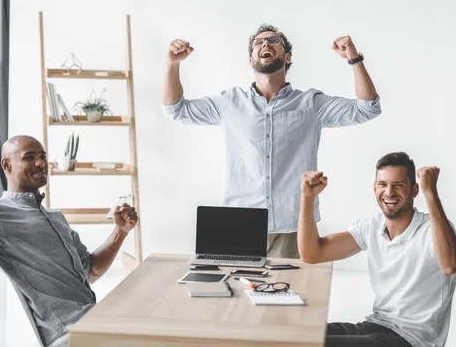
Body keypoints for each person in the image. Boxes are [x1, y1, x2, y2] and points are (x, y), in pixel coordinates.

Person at [162, 24, 381, 258]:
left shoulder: (311, 104)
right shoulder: (229, 103)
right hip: (239, 222)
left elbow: (368, 108)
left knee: (290, 292)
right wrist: (172, 65)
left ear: (287, 57)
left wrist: (354, 59)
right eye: (259, 42)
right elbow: (175, 109)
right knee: (231, 291)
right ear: (251, 60)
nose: (265, 44)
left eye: (273, 41)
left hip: (294, 225)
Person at [0, 135, 138, 347]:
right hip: (71, 333)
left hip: (93, 320)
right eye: (29, 157)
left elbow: (91, 270)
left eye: (42, 156)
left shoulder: (55, 217)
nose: (40, 163)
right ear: (6, 164)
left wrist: (120, 231)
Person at [298, 152, 456, 347]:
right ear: (375, 189)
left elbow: (450, 265)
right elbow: (312, 254)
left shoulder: (432, 229)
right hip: (375, 326)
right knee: (297, 335)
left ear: (414, 190)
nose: (389, 192)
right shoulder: (372, 227)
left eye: (399, 185)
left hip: (410, 340)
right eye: (383, 184)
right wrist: (307, 198)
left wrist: (431, 192)